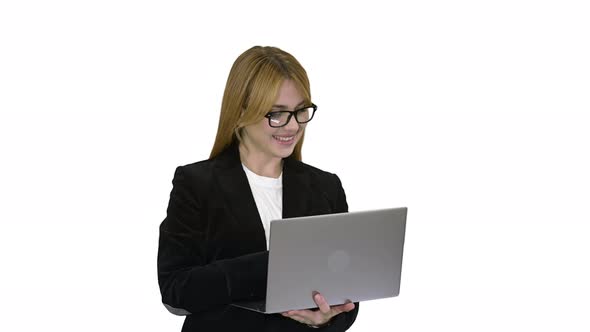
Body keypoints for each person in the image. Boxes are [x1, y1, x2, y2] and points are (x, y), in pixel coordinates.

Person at [157, 46, 359, 331]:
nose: (292, 126)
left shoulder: (325, 187)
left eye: (301, 111)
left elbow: (346, 290)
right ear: (241, 112)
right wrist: (272, 266)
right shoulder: (197, 184)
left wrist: (327, 319)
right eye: (277, 114)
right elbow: (176, 291)